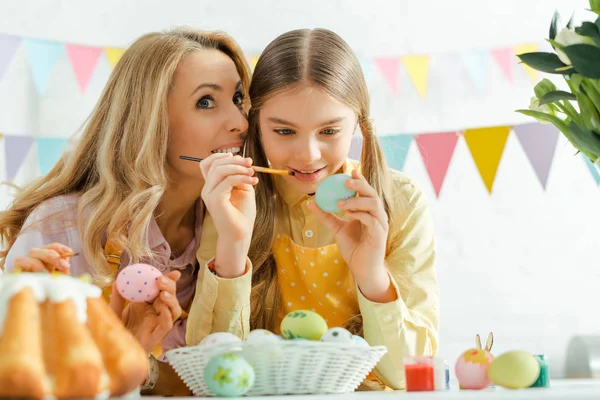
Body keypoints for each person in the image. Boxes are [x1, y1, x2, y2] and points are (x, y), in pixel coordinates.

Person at [0, 27, 258, 396]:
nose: (240, 122)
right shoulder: (59, 228)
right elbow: (21, 380)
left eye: (237, 98)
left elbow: (227, 381)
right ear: (149, 121)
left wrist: (233, 248)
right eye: (206, 102)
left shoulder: (238, 219)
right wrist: (133, 356)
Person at [186, 28, 440, 390]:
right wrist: (233, 245)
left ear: (357, 122)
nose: (308, 155)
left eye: (329, 131)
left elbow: (408, 376)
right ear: (256, 124)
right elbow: (211, 374)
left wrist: (372, 276)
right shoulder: (232, 199)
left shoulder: (400, 201)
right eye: (285, 132)